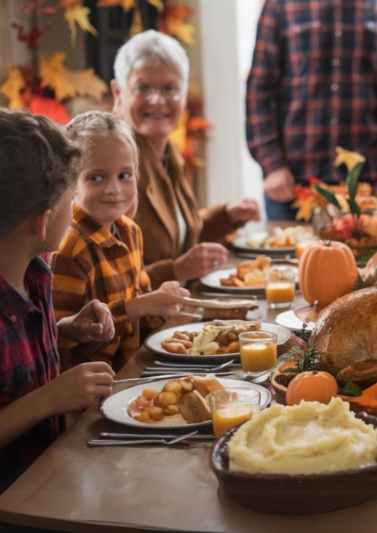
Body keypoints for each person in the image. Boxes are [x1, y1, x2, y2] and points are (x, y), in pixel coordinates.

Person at [0, 109, 117, 492]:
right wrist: (49, 399)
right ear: (42, 221)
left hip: (52, 476)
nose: (77, 208)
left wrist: (66, 328)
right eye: (73, 198)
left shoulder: (36, 273)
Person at [112, 30, 261, 286]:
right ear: (118, 92)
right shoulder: (113, 161)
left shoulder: (166, 149)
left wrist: (227, 216)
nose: (158, 101)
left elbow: (177, 237)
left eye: (170, 88)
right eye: (142, 88)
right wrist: (175, 271)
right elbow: (110, 278)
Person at [51, 111, 190, 372]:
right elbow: (59, 343)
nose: (114, 189)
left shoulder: (130, 231)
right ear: (71, 182)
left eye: (124, 175)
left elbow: (142, 320)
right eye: (96, 177)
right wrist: (136, 308)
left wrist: (162, 301)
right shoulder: (70, 248)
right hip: (91, 395)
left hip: (131, 371)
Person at [246, 0, 377, 220]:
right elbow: (260, 90)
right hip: (294, 186)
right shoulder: (280, 5)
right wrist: (272, 165)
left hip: (366, 187)